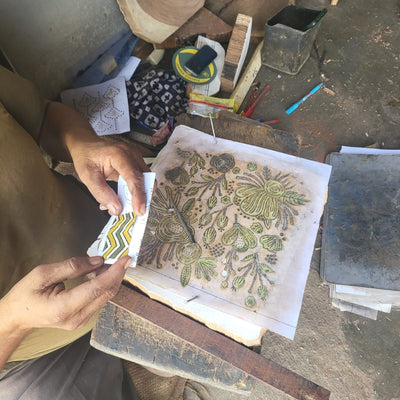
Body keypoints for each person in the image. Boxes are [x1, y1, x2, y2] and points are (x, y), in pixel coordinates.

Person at [0, 64, 150, 399]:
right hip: (33, 353)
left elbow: (43, 118)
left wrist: (84, 145)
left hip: (107, 228)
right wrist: (11, 321)